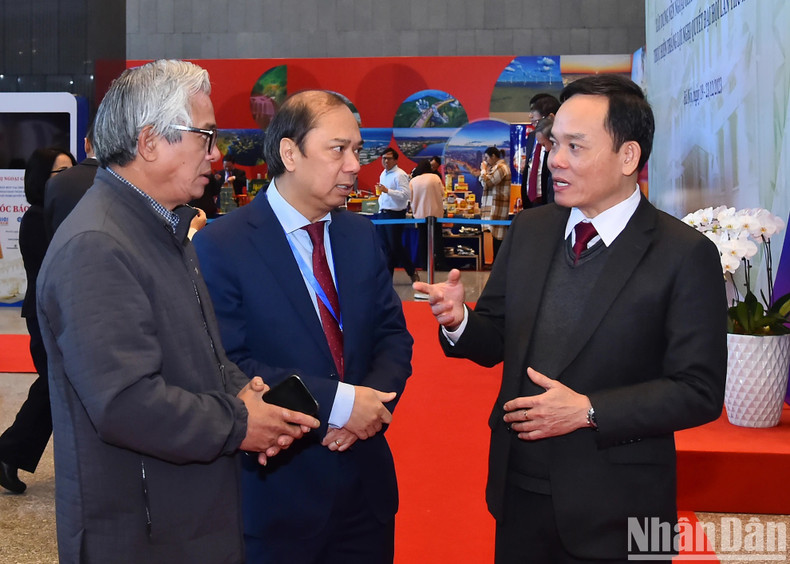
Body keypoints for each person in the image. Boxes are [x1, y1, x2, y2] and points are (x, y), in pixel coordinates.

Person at [414, 75, 727, 562]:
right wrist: (459, 321)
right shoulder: (531, 229)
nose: (556, 160)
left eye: (575, 147)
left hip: (626, 505)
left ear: (628, 157)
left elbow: (699, 390)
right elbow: (496, 334)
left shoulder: (685, 254)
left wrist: (588, 411)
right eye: (554, 143)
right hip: (519, 492)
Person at [36, 59, 318, 563]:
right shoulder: (98, 244)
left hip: (182, 512)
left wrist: (244, 393)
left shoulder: (161, 227)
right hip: (140, 533)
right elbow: (124, 403)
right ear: (149, 142)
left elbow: (200, 353)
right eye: (205, 136)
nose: (216, 152)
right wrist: (239, 422)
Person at [194, 90, 413, 564]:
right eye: (339, 150)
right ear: (290, 153)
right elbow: (229, 361)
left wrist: (366, 411)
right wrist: (340, 404)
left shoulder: (358, 234)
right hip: (277, 499)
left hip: (365, 491)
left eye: (358, 150)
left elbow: (393, 336)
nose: (355, 165)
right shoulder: (222, 245)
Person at [0, 147, 75, 494]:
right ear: (40, 178)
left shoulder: (54, 214)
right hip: (45, 316)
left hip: (56, 315)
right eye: (61, 172)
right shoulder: (37, 217)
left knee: (52, 389)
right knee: (49, 388)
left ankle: (8, 454)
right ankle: (6, 452)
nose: (70, 178)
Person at [43, 122, 99, 240]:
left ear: (86, 144)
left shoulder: (56, 182)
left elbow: (50, 235)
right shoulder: (126, 180)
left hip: (65, 255)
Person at [375, 146, 419, 282]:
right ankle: (388, 277)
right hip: (383, 213)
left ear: (395, 160)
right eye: (383, 159)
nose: (385, 161)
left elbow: (406, 195)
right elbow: (382, 193)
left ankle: (412, 271)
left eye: (388, 159)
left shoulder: (400, 174)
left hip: (395, 214)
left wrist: (387, 190)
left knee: (395, 245)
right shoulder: (383, 173)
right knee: (385, 246)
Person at [521, 94, 560, 208]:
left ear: (551, 117)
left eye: (534, 114)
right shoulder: (532, 137)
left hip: (550, 201)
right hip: (530, 201)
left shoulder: (560, 141)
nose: (530, 116)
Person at [410, 159, 447, 274]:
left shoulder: (413, 181)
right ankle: (440, 262)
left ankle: (424, 264)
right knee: (437, 239)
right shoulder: (435, 177)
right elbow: (442, 193)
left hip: (420, 214)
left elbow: (410, 197)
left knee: (423, 240)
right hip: (435, 212)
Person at [478, 146, 511, 260]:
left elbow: (488, 182)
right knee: (495, 236)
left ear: (493, 156)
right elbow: (484, 183)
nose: (486, 161)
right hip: (494, 207)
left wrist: (483, 170)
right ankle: (495, 262)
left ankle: (498, 263)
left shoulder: (501, 167)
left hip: (498, 207)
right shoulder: (495, 168)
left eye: (487, 157)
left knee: (499, 237)